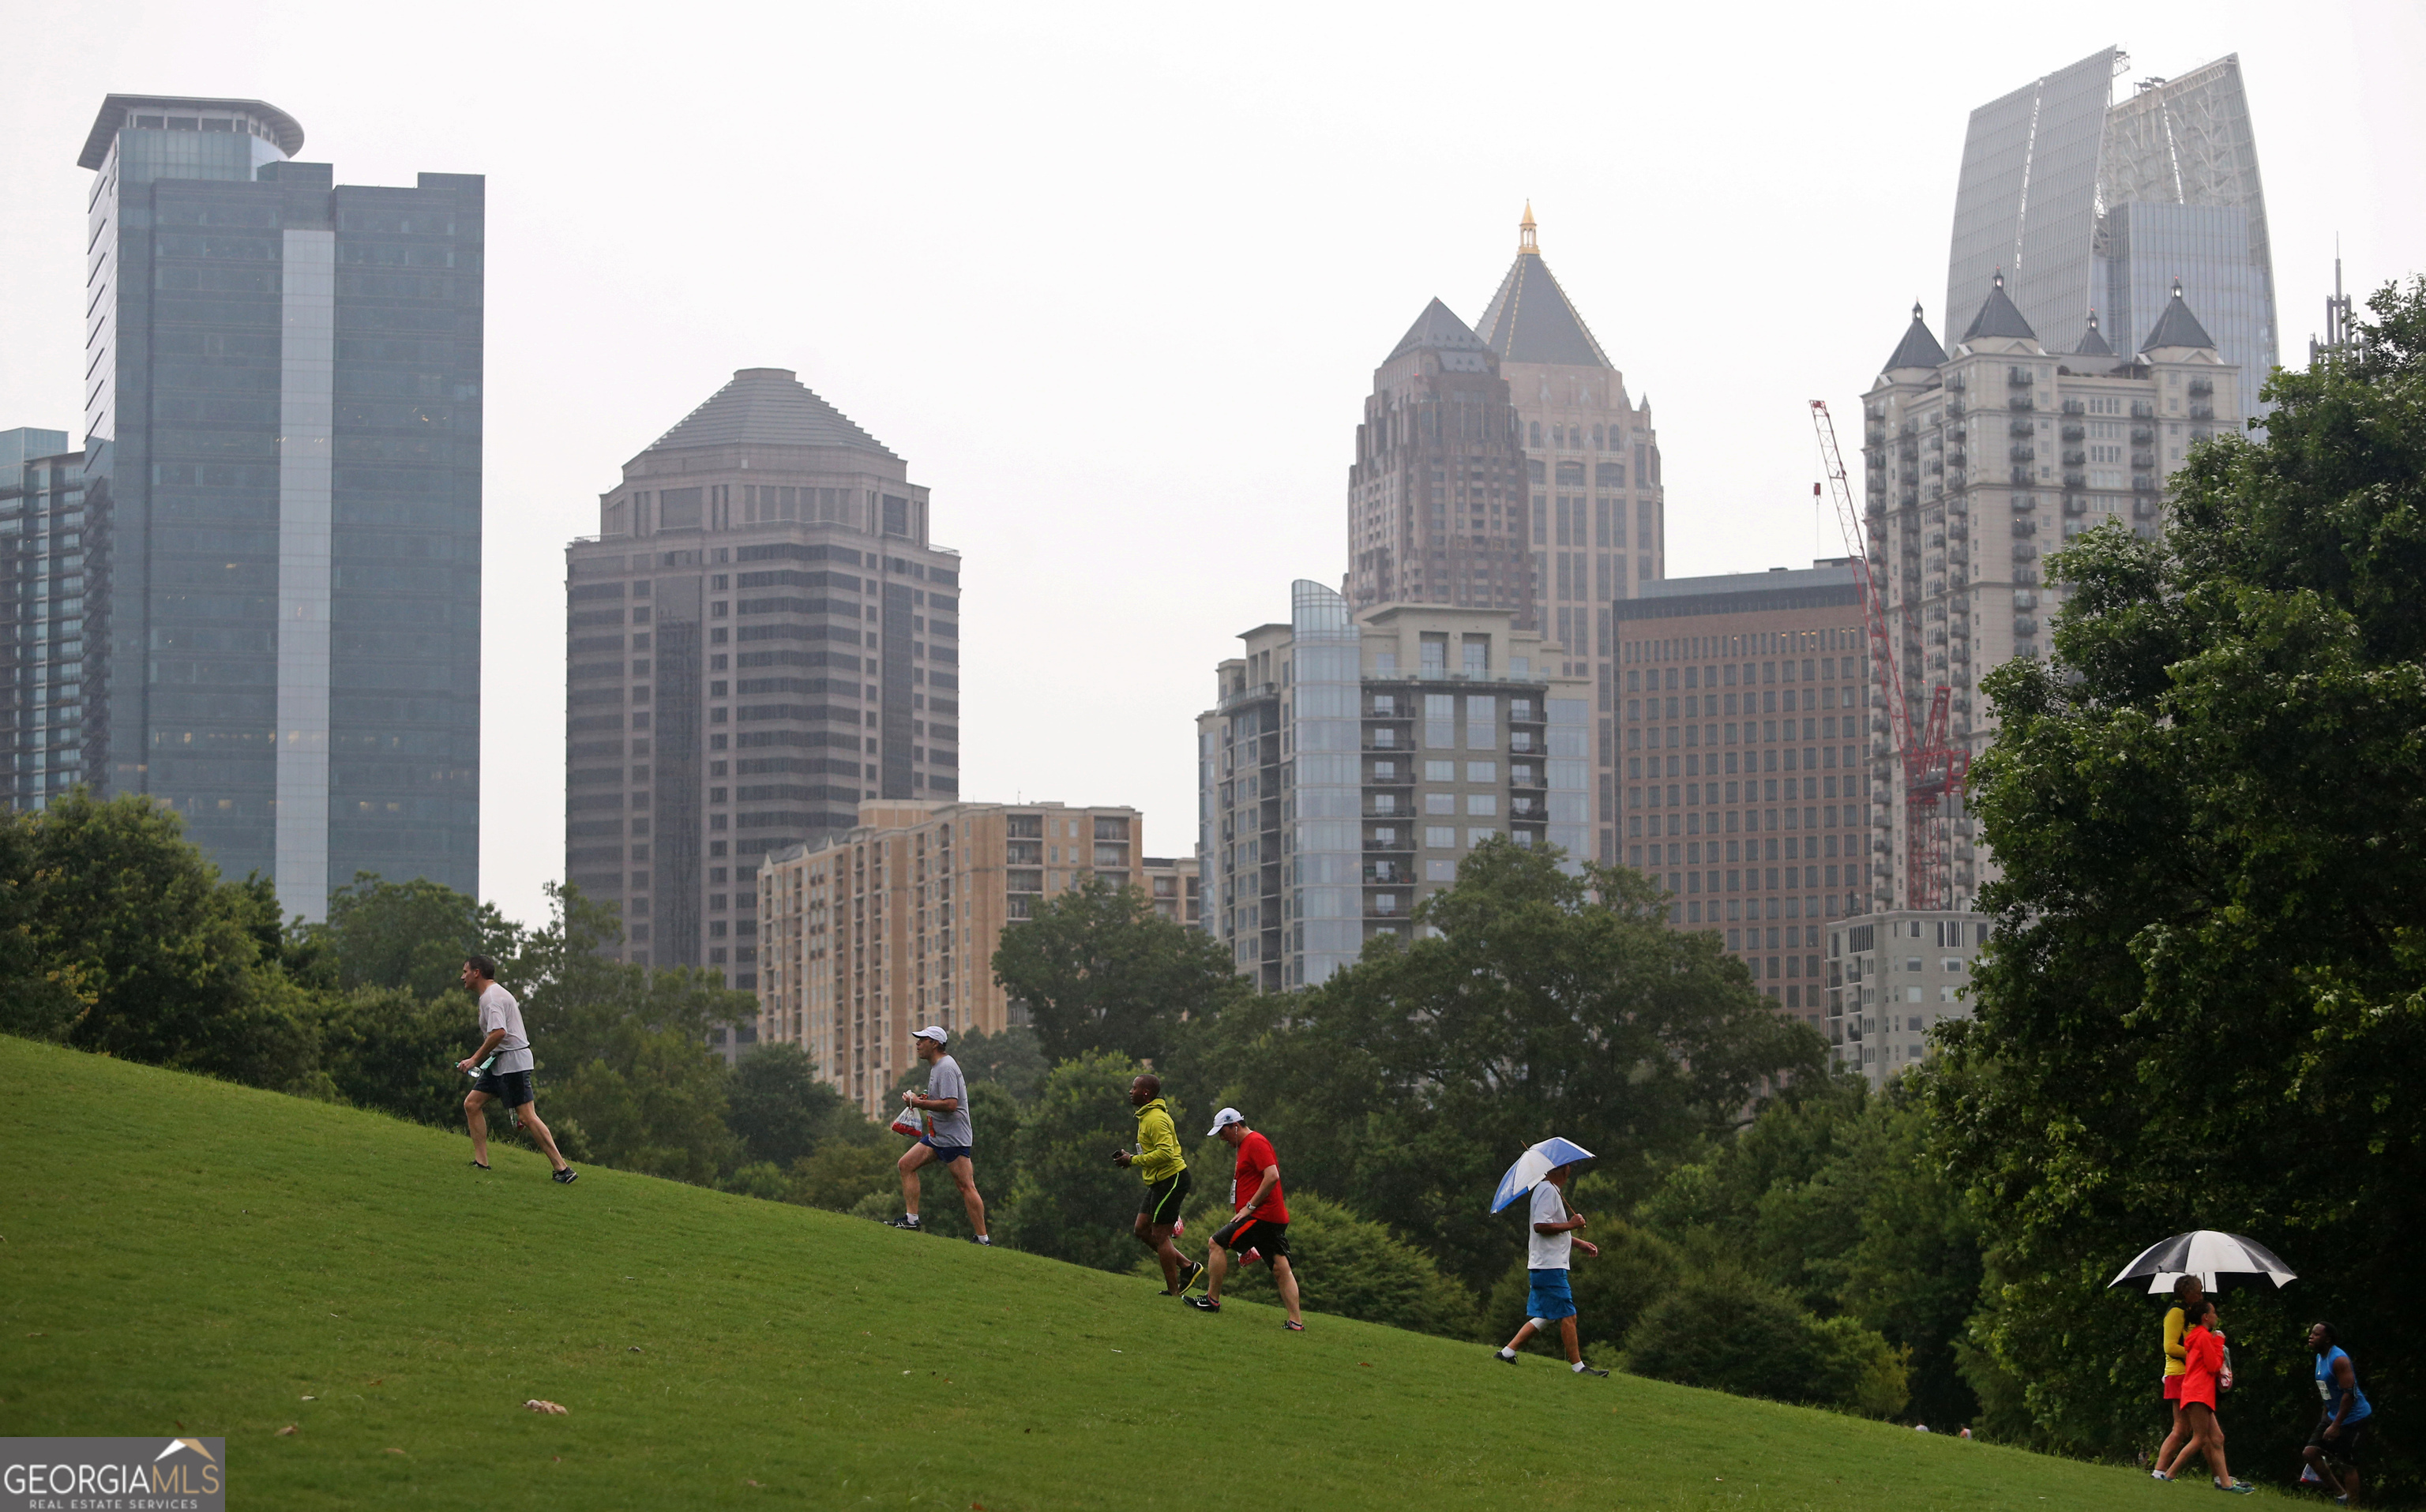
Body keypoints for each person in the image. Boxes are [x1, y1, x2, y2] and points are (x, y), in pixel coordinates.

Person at [455, 955, 576, 1184]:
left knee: (527, 1116)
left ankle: (563, 1169)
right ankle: (481, 1163)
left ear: (477, 973)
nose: (462, 977)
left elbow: (499, 1032)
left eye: (465, 971)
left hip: (512, 1062)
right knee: (472, 1104)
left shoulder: (491, 998)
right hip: (500, 1061)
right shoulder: (491, 995)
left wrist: (474, 1059)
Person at [1185, 1109, 1301, 1329]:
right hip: (1269, 1217)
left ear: (1235, 1126)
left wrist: (1250, 1207)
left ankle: (1211, 1301)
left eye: (1223, 1132)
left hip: (1262, 1215)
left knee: (1216, 1243)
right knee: (1280, 1268)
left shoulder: (1256, 1142)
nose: (1221, 1137)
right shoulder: (1246, 1145)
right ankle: (1296, 1323)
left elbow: (1272, 1176)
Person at [1491, 1161, 1607, 1376]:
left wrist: (1579, 1243)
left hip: (1547, 1265)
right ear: (1565, 1170)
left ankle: (1507, 1353)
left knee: (1547, 1315)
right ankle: (1579, 1368)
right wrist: (1572, 1224)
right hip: (1549, 1266)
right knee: (1568, 1315)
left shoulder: (1548, 1190)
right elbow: (1541, 1226)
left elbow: (1554, 1228)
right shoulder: (1547, 1191)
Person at [892, 1026, 989, 1244]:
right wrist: (921, 1098)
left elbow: (951, 1104)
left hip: (953, 1139)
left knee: (966, 1186)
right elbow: (941, 1097)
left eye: (922, 1040)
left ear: (935, 1044)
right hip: (938, 1136)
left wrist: (919, 1103)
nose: (917, 1044)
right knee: (906, 1165)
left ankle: (983, 1239)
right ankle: (911, 1220)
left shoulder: (945, 1067)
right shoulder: (937, 1066)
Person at [1113, 1073, 1200, 1296]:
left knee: (1161, 1236)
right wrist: (1132, 1157)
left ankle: (1173, 1291)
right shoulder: (1146, 1116)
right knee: (1141, 1230)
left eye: (1134, 1088)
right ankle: (1188, 1267)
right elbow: (1154, 1152)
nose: (1130, 1092)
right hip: (1158, 1181)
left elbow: (1166, 1153)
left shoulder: (1155, 1119)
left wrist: (1133, 1160)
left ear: (1146, 1093)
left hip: (1173, 1180)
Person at [2158, 1297, 2251, 1493]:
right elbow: (2214, 1365)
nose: (2216, 1316)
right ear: (2205, 1317)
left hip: (2196, 1390)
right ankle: (2169, 1474)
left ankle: (2226, 1484)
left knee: (2217, 1438)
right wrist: (2218, 1342)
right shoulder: (2203, 1337)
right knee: (2200, 1438)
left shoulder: (2195, 1336)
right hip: (2199, 1391)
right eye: (2214, 1312)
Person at [2303, 1322, 2372, 1506]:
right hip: (2333, 1414)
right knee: (2310, 1453)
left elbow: (2349, 1395)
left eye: (2316, 1335)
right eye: (2311, 1333)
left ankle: (2354, 1506)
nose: (2311, 1337)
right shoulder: (2320, 1357)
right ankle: (2341, 1495)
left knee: (2346, 1463)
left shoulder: (2339, 1359)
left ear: (2328, 1339)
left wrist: (2336, 1425)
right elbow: (2327, 1390)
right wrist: (2325, 1416)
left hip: (2353, 1417)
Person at [2153, 1274, 2205, 1479]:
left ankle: (2222, 1477)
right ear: (2187, 1293)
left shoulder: (2190, 1313)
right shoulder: (2176, 1312)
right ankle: (2160, 1471)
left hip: (2190, 1374)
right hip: (2180, 1374)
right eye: (2197, 1292)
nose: (2201, 1296)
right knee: (2183, 1428)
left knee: (2190, 1429)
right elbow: (2170, 1346)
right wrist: (2197, 1354)